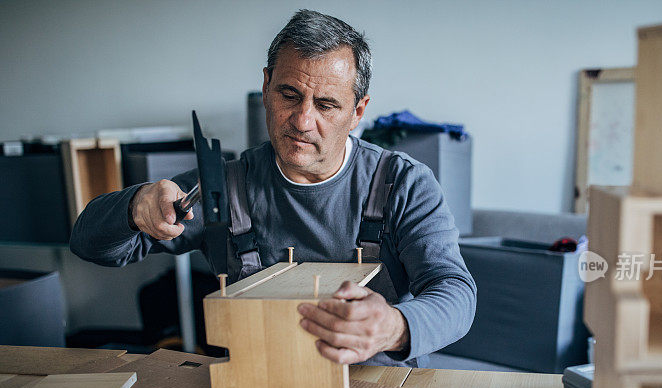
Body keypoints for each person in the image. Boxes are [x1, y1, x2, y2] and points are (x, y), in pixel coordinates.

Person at [70, 9, 476, 368]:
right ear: (266, 87)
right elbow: (89, 244)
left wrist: (397, 326)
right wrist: (135, 207)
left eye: (326, 105)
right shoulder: (223, 188)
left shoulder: (403, 183)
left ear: (358, 112)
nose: (302, 121)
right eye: (289, 94)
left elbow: (455, 292)